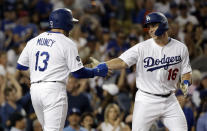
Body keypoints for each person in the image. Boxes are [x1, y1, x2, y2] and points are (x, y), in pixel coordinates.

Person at [95, 12, 192, 131]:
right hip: (146, 99)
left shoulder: (180, 48)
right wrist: (103, 65)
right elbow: (122, 62)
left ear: (163, 25)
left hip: (170, 100)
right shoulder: (141, 48)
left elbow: (186, 71)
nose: (150, 30)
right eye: (149, 27)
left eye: (153, 25)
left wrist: (186, 83)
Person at [16, 8, 108, 131]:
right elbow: (78, 73)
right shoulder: (66, 43)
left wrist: (37, 77)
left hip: (35, 91)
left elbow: (21, 66)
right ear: (67, 24)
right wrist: (96, 71)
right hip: (53, 91)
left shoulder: (34, 40)